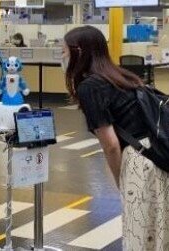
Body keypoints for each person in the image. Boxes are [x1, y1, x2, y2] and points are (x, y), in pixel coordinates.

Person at [62, 25, 169, 250]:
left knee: (139, 233)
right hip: (159, 155)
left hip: (139, 161)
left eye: (64, 51)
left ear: (78, 52)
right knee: (160, 231)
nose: (62, 57)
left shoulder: (90, 87)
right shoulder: (119, 75)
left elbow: (111, 145)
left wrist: (121, 180)